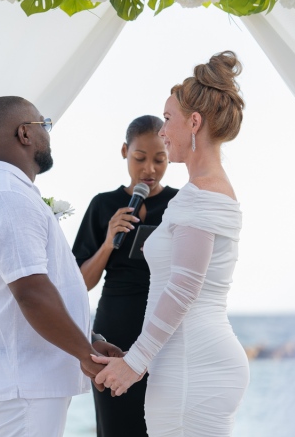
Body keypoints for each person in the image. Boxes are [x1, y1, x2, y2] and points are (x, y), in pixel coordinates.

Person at [93, 52, 250, 436]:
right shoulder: (197, 192)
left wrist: (136, 363)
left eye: (167, 119)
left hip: (193, 363)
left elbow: (183, 287)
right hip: (184, 359)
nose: (162, 131)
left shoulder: (203, 195)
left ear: (194, 122)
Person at [0, 96, 122, 437]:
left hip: (24, 380)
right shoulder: (8, 197)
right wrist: (85, 355)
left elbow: (36, 289)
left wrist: (87, 339)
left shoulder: (5, 191)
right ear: (24, 134)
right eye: (43, 125)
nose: (48, 134)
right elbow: (31, 292)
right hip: (23, 383)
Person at [73, 116, 179, 437]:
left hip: (165, 331)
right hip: (114, 330)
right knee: (116, 425)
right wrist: (108, 243)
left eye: (160, 159)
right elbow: (80, 283)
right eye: (140, 158)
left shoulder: (180, 203)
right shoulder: (103, 205)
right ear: (124, 152)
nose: (149, 169)